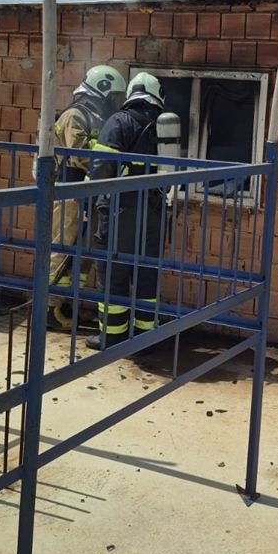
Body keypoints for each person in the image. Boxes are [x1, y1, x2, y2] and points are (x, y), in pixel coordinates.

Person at [85, 72, 166, 349]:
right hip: (154, 211)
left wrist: (88, 199)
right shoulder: (163, 125)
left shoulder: (119, 121)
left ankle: (113, 337)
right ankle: (145, 337)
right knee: (147, 273)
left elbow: (101, 167)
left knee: (113, 273)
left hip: (121, 210)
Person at [48, 65, 126, 329]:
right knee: (62, 250)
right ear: (101, 90)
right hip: (70, 194)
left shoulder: (100, 118)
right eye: (114, 95)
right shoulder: (74, 115)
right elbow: (80, 155)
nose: (117, 101)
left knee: (85, 255)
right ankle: (50, 309)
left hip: (91, 195)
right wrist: (106, 156)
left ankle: (69, 306)